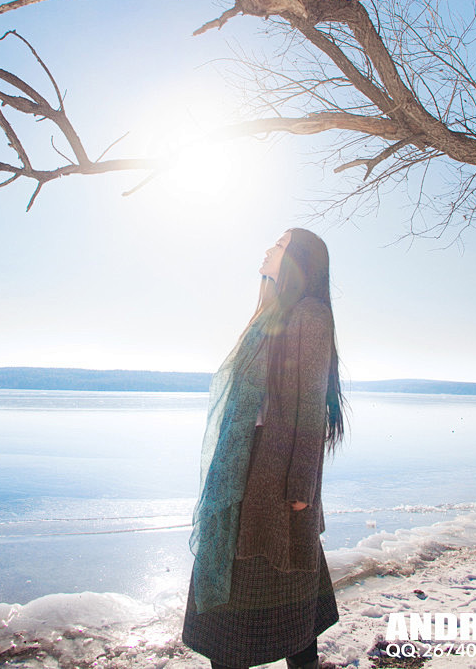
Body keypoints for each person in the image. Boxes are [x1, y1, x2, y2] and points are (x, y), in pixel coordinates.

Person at [182, 228, 345, 669]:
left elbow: (311, 407)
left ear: (298, 260)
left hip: (273, 476)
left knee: (275, 603)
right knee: (276, 604)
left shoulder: (310, 315)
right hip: (243, 464)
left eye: (279, 244)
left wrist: (300, 489)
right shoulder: (272, 314)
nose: (269, 248)